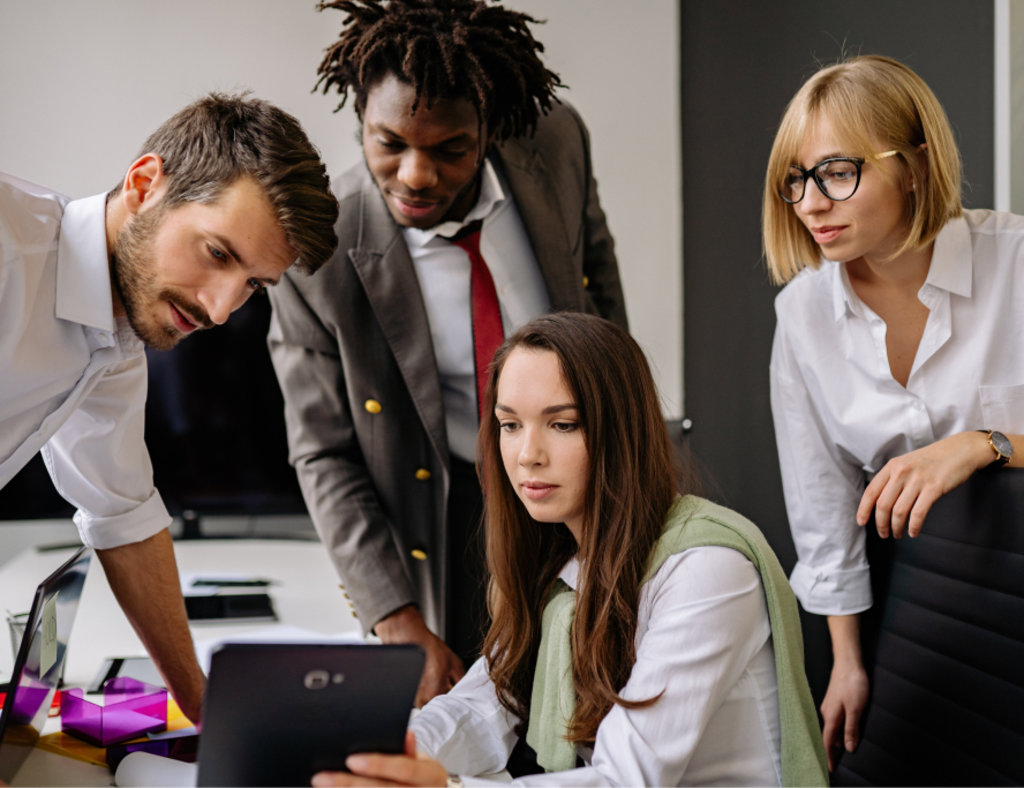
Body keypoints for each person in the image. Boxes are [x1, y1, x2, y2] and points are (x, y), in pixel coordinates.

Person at [268, 0, 628, 706]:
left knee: (603, 710)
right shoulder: (318, 248)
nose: (415, 174)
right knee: (486, 724)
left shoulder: (556, 141)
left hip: (588, 491)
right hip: (453, 517)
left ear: (490, 128)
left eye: (450, 149)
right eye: (389, 143)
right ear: (360, 120)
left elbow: (600, 287)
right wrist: (394, 616)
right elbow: (322, 451)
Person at [309, 312, 826, 787]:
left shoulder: (706, 570)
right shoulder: (558, 560)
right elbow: (482, 706)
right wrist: (383, 753)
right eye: (510, 425)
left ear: (620, 433)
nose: (527, 455)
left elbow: (627, 778)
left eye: (562, 424)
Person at [0, 93, 339, 723]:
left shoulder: (116, 342)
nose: (220, 310)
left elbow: (124, 514)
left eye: (253, 284)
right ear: (144, 185)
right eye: (217, 254)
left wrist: (207, 712)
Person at [763, 54, 1024, 771]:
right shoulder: (803, 313)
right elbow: (822, 511)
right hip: (914, 608)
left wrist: (984, 444)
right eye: (796, 179)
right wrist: (847, 663)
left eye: (837, 172)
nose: (811, 203)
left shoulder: (1017, 261)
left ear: (915, 166)